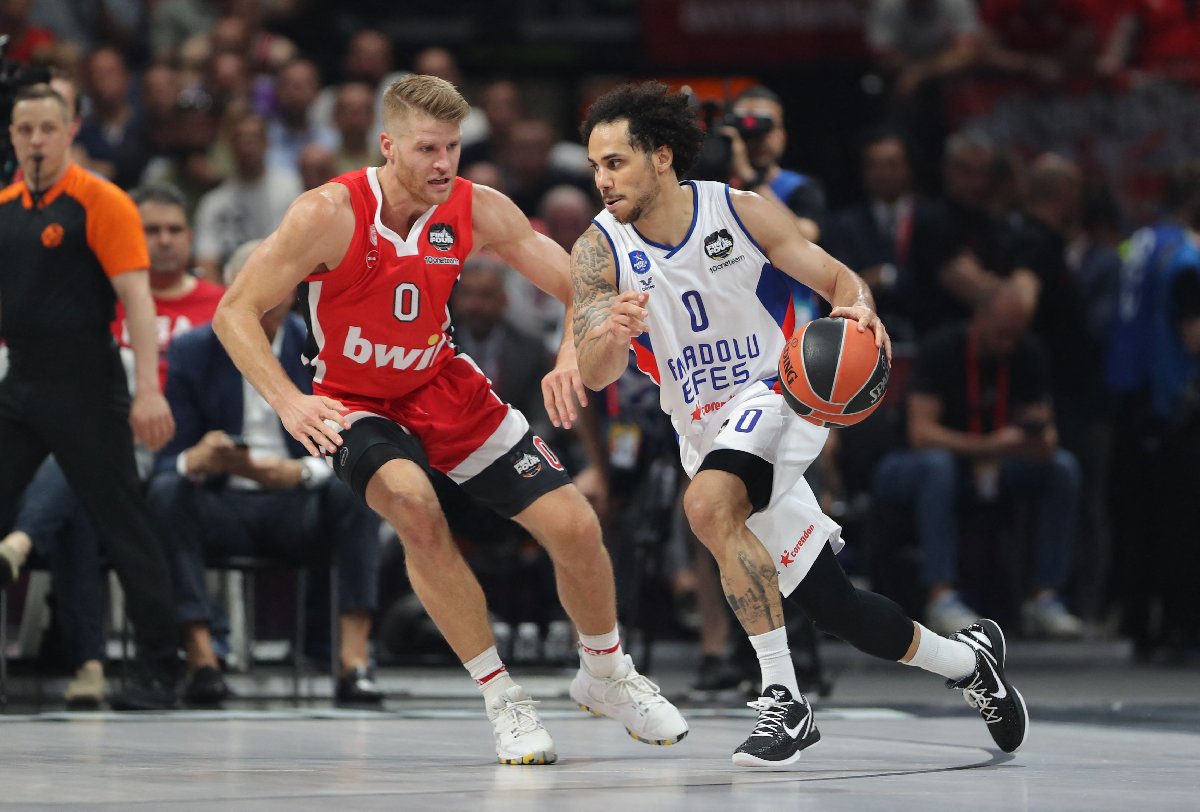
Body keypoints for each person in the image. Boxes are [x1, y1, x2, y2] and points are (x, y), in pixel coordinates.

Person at [210, 75, 686, 764]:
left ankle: (607, 673)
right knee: (414, 505)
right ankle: (503, 698)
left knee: (576, 525)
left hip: (441, 382)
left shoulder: (477, 208)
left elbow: (585, 285)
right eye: (427, 148)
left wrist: (567, 356)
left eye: (453, 148)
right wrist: (289, 399)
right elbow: (233, 311)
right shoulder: (328, 212)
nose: (442, 163)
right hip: (352, 399)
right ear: (388, 145)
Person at [571, 81, 1027, 767]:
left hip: (778, 394)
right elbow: (597, 371)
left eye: (616, 162)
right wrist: (613, 333)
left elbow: (842, 282)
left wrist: (862, 315)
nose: (602, 180)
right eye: (595, 166)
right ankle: (970, 664)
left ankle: (785, 702)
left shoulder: (741, 211)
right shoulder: (596, 250)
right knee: (835, 608)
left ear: (661, 157)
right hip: (701, 427)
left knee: (707, 503)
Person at [0, 181, 223, 708]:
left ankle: (24, 544)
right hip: (91, 433)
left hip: (174, 446)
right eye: (150, 231)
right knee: (78, 492)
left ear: (191, 237)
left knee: (84, 480)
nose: (163, 241)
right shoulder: (102, 295)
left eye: (174, 230)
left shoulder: (218, 305)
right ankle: (90, 666)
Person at [0, 83, 180, 710]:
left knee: (122, 525)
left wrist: (148, 392)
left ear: (70, 130)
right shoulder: (5, 207)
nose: (36, 141)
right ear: (13, 135)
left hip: (87, 384)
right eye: (25, 130)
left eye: (48, 128)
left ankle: (162, 664)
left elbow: (136, 297)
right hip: (22, 381)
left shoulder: (99, 200)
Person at [147, 240, 384, 708]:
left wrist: (298, 474)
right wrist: (197, 458)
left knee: (358, 491)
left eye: (276, 284)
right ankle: (202, 662)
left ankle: (353, 662)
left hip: (297, 505)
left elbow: (352, 440)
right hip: (221, 502)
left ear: (293, 291)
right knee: (166, 492)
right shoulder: (194, 350)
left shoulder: (322, 344)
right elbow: (167, 459)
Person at [872, 283, 1084, 637]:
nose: (1007, 345)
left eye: (1014, 336)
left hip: (992, 463)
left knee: (1061, 468)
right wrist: (990, 444)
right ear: (980, 319)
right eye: (1000, 335)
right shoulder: (943, 348)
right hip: (912, 464)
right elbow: (921, 435)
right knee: (937, 466)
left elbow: (1044, 433)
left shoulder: (1026, 352)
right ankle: (942, 596)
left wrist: (1037, 438)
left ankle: (1044, 597)